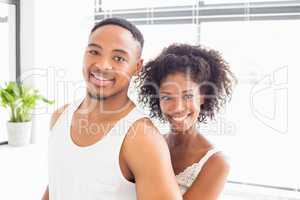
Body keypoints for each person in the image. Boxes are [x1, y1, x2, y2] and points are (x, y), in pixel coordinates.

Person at [42, 18, 182, 200]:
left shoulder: (142, 138)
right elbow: (57, 185)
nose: (102, 65)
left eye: (118, 58)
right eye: (94, 52)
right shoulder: (59, 117)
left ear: (137, 67)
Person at [137, 43, 236, 200]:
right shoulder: (150, 145)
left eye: (188, 96)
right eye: (167, 97)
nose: (177, 108)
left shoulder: (217, 163)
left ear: (203, 96)